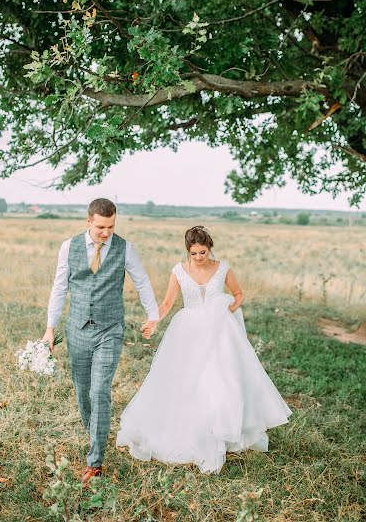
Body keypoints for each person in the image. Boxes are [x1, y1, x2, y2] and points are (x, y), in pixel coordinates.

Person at [117, 225, 292, 474]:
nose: (199, 258)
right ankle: (187, 428)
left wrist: (226, 312)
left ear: (209, 248)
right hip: (187, 331)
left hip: (220, 331)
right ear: (187, 251)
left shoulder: (223, 268)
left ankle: (221, 429)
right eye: (194, 254)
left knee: (221, 379)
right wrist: (153, 320)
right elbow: (167, 302)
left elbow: (239, 294)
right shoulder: (178, 271)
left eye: (203, 252)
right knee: (185, 379)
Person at [41, 198, 159, 485]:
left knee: (100, 391)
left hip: (110, 329)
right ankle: (95, 433)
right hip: (77, 330)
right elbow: (60, 287)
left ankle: (95, 462)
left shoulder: (125, 248)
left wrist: (152, 315)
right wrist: (49, 328)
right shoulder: (69, 247)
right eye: (100, 227)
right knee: (83, 392)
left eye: (111, 226)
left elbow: (141, 281)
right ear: (88, 221)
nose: (106, 232)